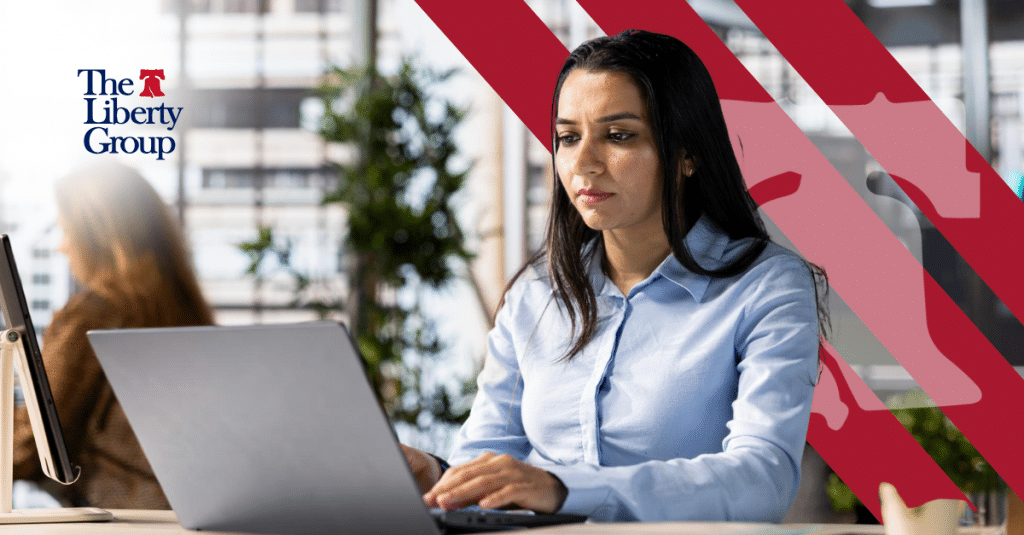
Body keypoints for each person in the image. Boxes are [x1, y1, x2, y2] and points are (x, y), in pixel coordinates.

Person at [403, 29, 828, 522]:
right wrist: (438, 477)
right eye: (567, 137)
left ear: (687, 153)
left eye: (618, 135)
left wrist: (564, 489)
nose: (583, 163)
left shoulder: (767, 287)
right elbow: (488, 456)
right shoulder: (536, 294)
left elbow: (761, 480)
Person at [13, 162, 215, 509]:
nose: (63, 247)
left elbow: (36, 443)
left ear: (98, 234)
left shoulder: (95, 312)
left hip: (116, 514)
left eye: (67, 231)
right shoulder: (185, 310)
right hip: (183, 511)